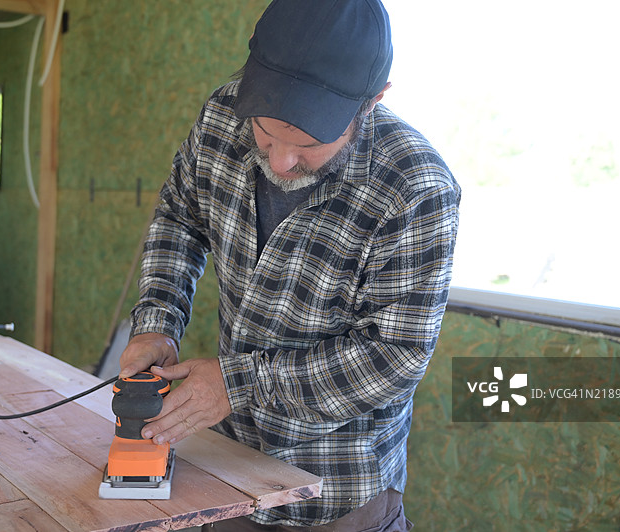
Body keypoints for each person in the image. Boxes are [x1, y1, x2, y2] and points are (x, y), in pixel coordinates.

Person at [119, 0, 460, 529]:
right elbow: (179, 216)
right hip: (227, 474)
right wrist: (157, 321)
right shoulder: (222, 114)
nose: (278, 161)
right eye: (266, 131)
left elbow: (394, 357)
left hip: (338, 493)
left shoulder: (415, 190)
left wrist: (237, 386)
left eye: (308, 142)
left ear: (370, 103)